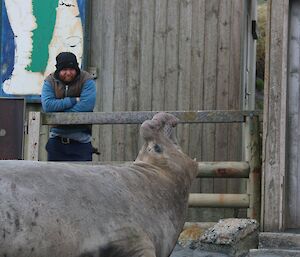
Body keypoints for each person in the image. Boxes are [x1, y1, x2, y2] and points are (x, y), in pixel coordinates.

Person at [41, 52, 96, 161]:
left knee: (82, 177)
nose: (68, 73)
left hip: (81, 143)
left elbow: (86, 106)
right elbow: (47, 106)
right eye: (64, 70)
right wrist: (73, 101)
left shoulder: (86, 79)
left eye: (71, 69)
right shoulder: (50, 81)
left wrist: (58, 112)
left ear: (77, 68)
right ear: (58, 70)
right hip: (56, 141)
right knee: (54, 177)